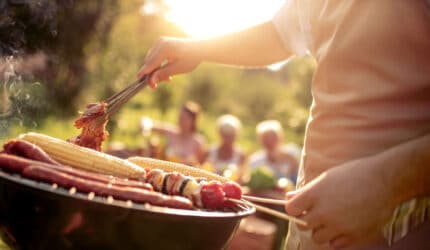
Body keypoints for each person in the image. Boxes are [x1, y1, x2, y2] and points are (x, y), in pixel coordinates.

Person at [136, 1, 430, 249]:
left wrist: (383, 184)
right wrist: (198, 48)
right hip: (310, 229)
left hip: (401, 229)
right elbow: (281, 34)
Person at [140, 101, 206, 166]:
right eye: (180, 117)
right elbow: (147, 121)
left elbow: (201, 165)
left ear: (193, 121)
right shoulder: (171, 132)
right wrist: (145, 128)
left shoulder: (198, 142)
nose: (180, 121)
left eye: (184, 118)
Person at [204, 114, 246, 181]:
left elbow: (243, 177)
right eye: (225, 134)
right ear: (220, 134)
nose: (228, 138)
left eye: (231, 135)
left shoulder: (241, 154)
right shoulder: (209, 151)